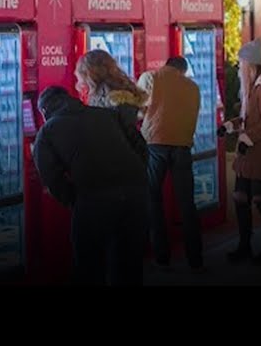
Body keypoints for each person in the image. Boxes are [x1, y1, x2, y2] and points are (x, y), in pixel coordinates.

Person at [33, 86, 148, 286]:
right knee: (130, 261)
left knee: (89, 263)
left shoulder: (47, 131)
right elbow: (140, 146)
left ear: (44, 111)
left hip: (94, 199)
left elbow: (52, 178)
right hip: (135, 194)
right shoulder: (106, 114)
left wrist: (76, 200)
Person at [219, 38, 261, 264]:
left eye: (240, 64)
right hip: (248, 155)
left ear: (250, 63)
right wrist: (230, 125)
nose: (238, 68)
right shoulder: (254, 86)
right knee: (240, 198)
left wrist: (246, 138)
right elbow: (250, 118)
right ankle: (244, 245)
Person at [141, 56, 204, 273]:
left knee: (153, 199)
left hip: (155, 145)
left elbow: (138, 110)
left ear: (166, 65)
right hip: (182, 147)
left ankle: (161, 256)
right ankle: (195, 260)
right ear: (183, 70)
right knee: (187, 204)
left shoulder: (151, 77)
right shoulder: (193, 87)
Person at [74, 49, 148, 160]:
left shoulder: (111, 98)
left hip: (120, 158)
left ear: (89, 73)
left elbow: (120, 134)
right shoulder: (117, 93)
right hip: (127, 156)